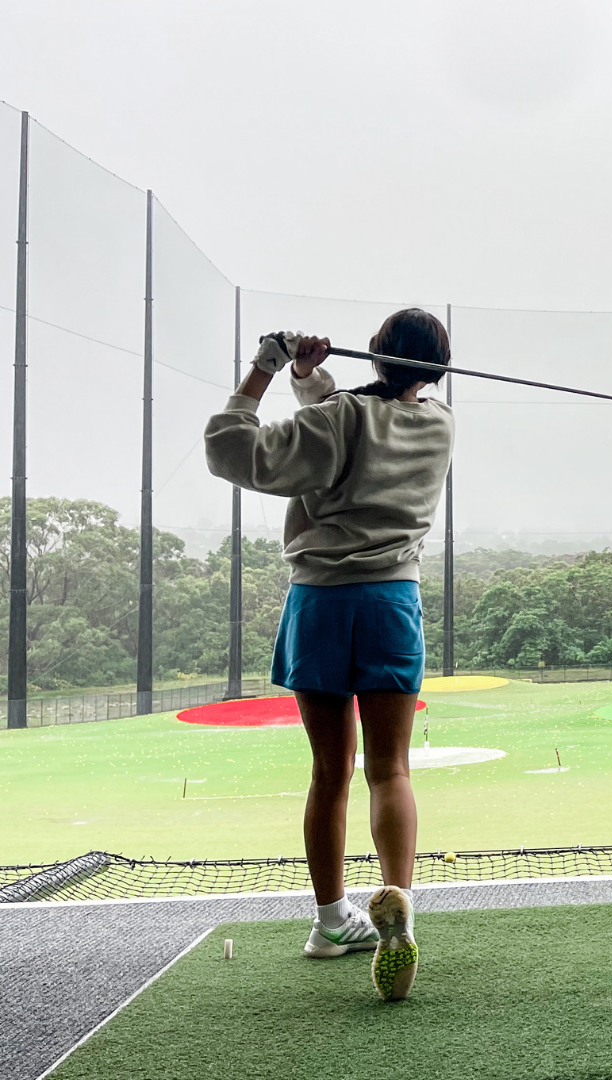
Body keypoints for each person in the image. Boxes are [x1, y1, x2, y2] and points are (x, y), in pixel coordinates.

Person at [205, 309, 456, 995]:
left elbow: (234, 447)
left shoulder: (336, 419)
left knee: (329, 772)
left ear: (376, 355)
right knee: (391, 769)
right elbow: (358, 422)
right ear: (436, 370)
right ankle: (397, 901)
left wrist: (265, 366)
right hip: (389, 606)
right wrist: (312, 379)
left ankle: (329, 922)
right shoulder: (439, 425)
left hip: (319, 603)